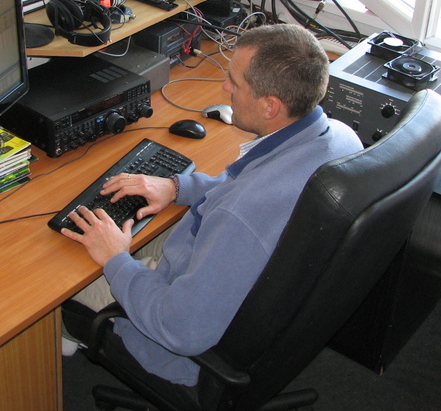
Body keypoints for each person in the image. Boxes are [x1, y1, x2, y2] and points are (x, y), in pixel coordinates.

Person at [60, 23, 363, 387]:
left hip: (179, 341)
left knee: (60, 275)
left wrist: (116, 259)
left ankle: (66, 339)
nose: (224, 88)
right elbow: (244, 184)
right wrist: (177, 186)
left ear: (270, 106)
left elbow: (181, 330)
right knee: (131, 228)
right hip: (259, 302)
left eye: (234, 82)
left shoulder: (240, 216)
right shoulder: (339, 138)